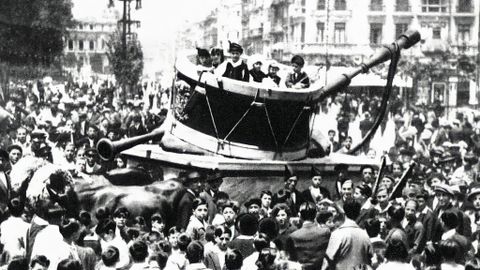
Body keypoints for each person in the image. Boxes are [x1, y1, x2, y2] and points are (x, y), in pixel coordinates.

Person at [322, 200, 373, 270]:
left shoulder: (337, 234)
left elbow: (327, 260)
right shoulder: (364, 235)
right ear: (358, 213)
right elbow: (370, 258)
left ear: (344, 213)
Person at [286, 202, 330, 270]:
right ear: (315, 215)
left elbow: (292, 259)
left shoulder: (293, 236)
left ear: (299, 215)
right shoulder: (325, 232)